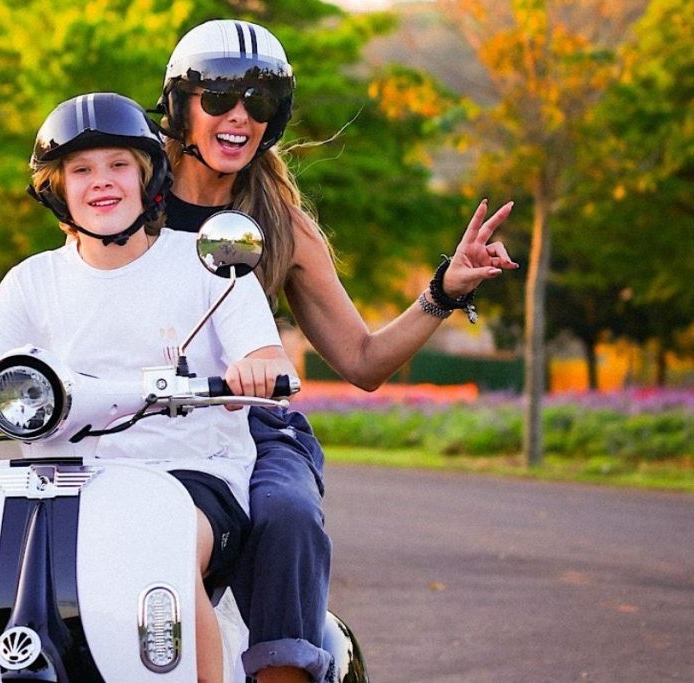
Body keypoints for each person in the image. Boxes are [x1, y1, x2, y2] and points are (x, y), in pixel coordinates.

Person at [0, 91, 297, 683]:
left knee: (161, 545)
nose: (102, 182)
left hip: (188, 477)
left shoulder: (206, 266)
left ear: (147, 178)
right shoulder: (32, 281)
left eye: (119, 165)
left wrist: (254, 368)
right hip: (54, 482)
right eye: (81, 170)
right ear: (57, 188)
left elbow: (266, 358)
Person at [153, 19, 519, 683]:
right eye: (220, 98)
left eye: (260, 103)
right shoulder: (128, 203)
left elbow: (363, 359)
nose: (240, 117)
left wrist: (441, 291)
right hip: (137, 416)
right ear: (181, 106)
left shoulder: (280, 222)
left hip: (250, 422)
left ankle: (285, 672)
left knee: (287, 510)